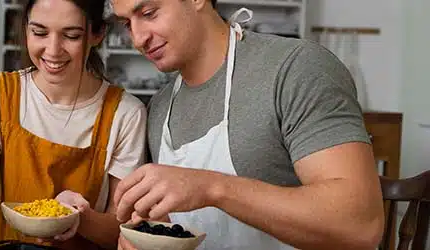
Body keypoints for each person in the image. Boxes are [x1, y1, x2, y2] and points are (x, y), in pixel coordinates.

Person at [109, 0, 385, 249]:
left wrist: (213, 188)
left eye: (148, 13)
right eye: (126, 24)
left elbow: (360, 225)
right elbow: (182, 226)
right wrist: (147, 238)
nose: (138, 38)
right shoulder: (160, 108)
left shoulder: (296, 69)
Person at [0, 0, 147, 249]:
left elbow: (119, 233)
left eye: (71, 36)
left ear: (97, 34)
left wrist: (80, 217)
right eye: (39, 32)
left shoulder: (125, 112)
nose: (53, 50)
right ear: (25, 28)